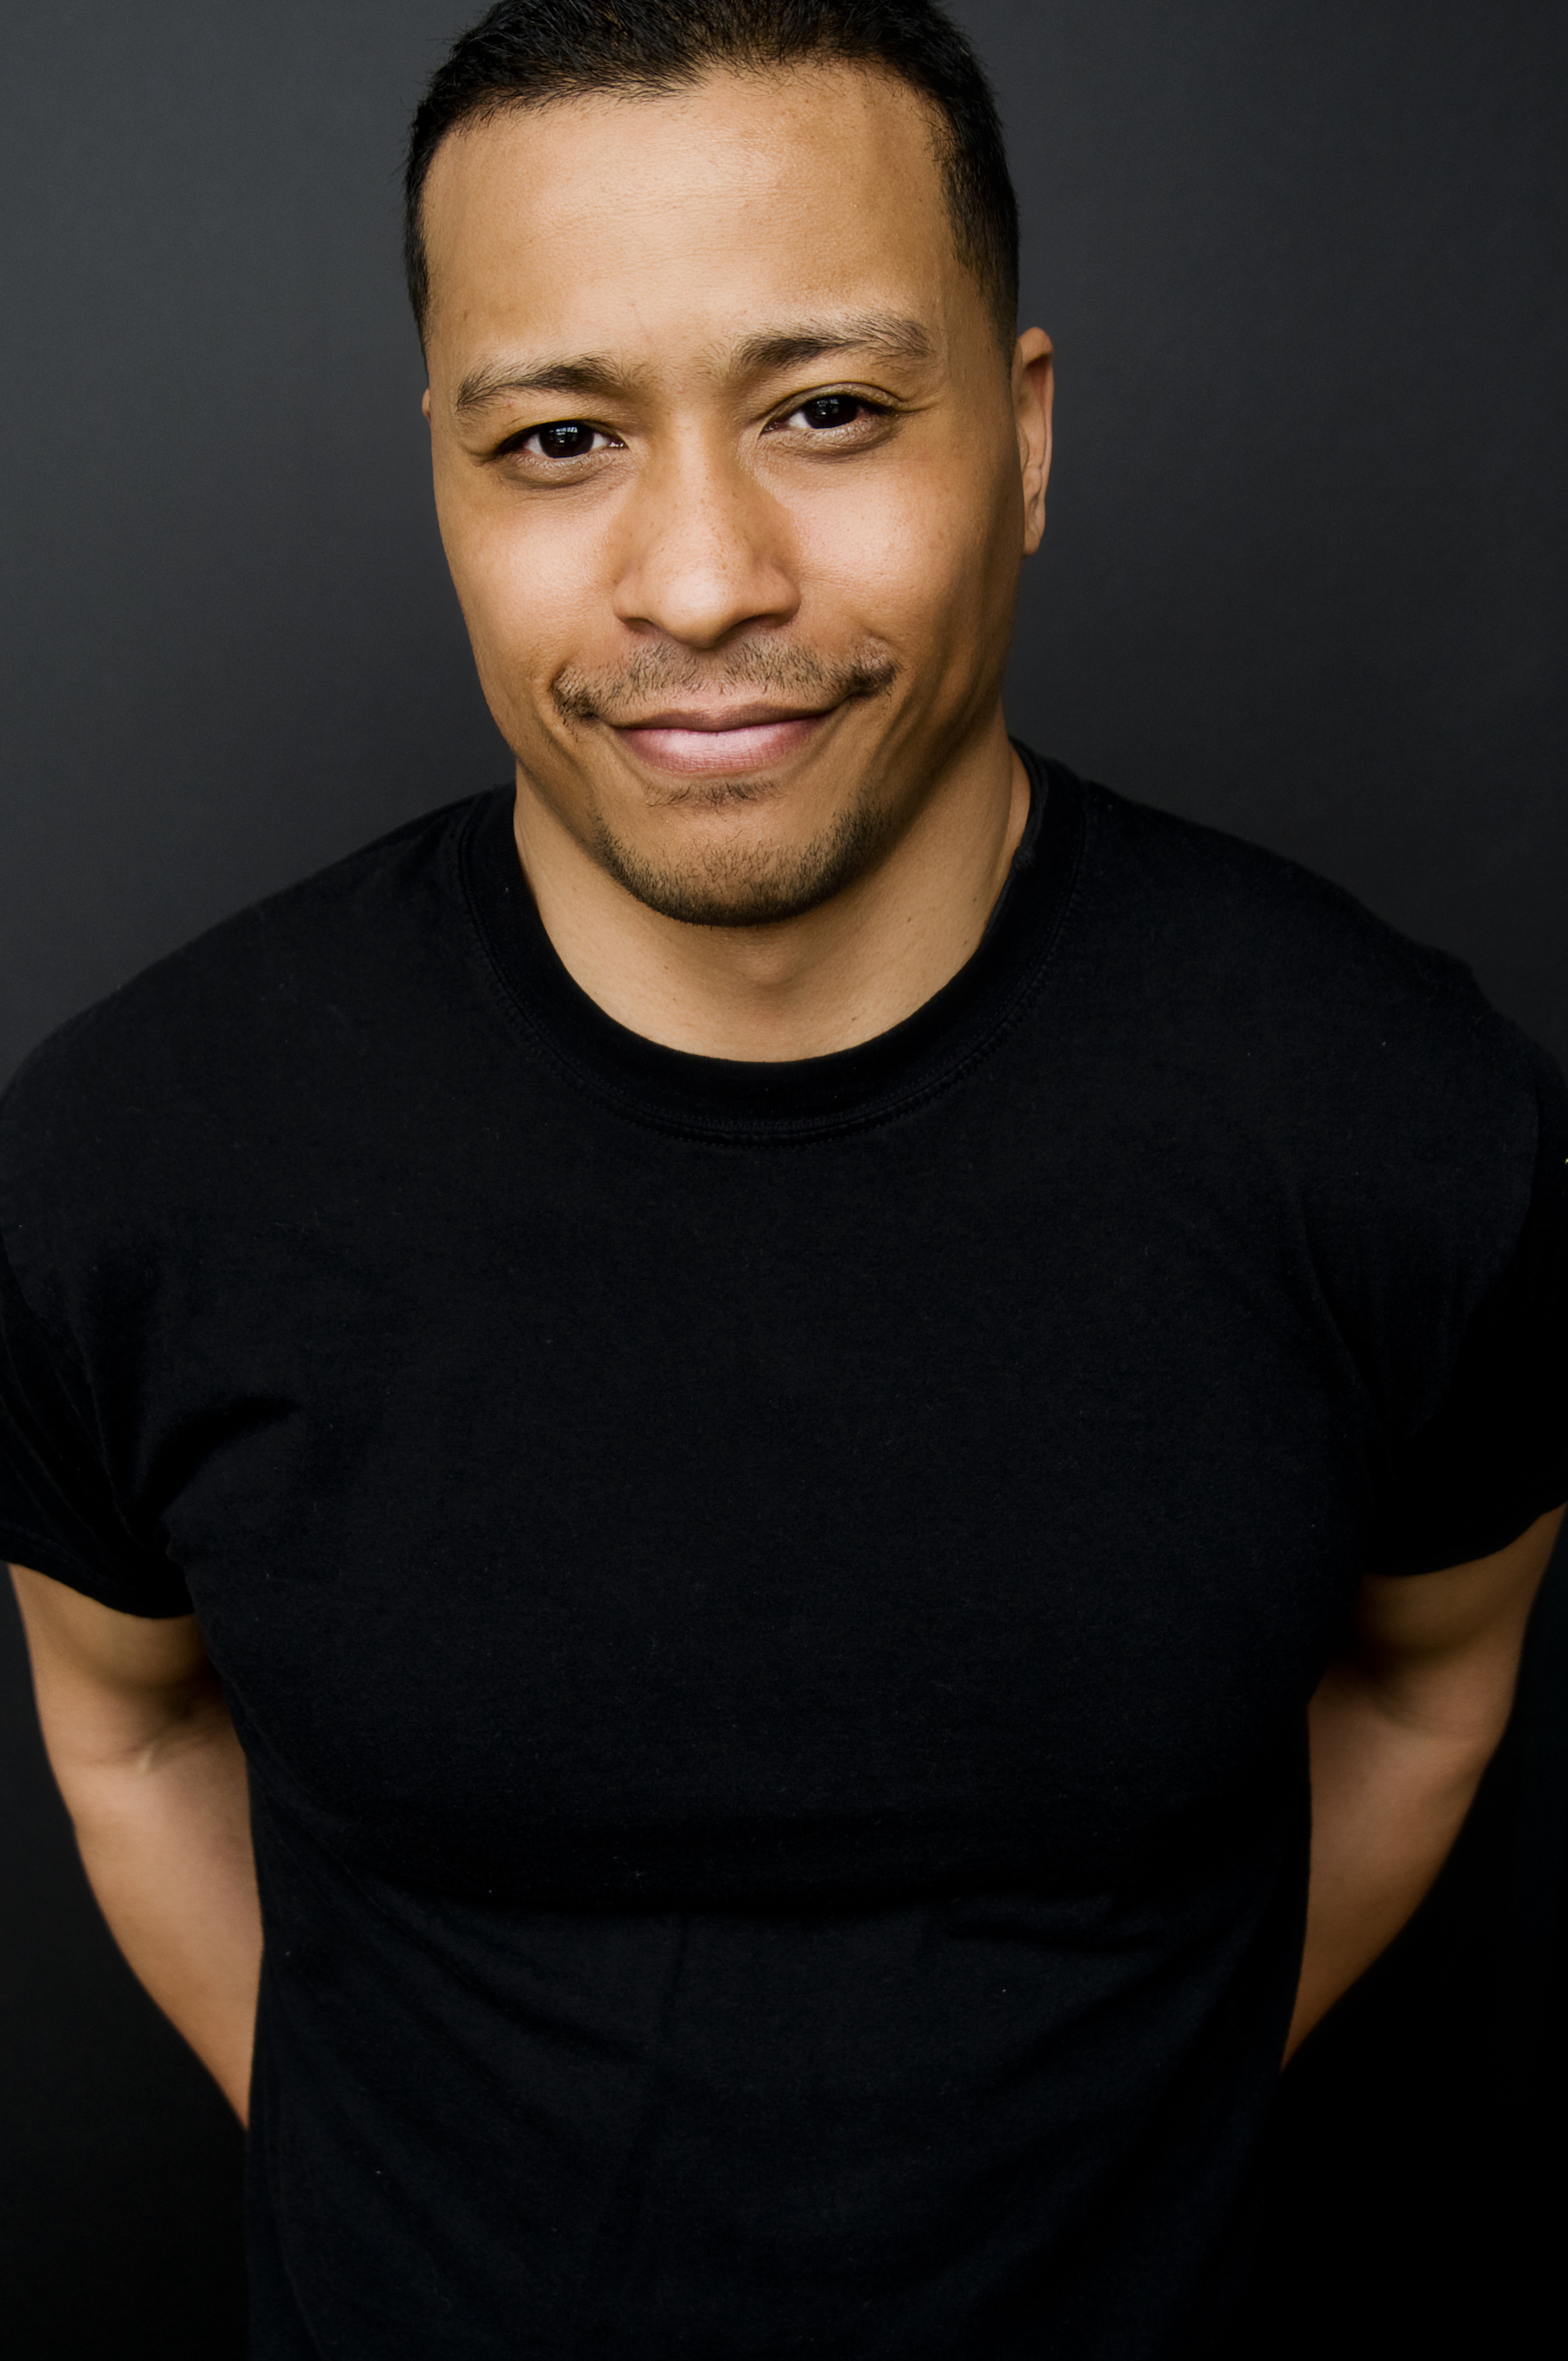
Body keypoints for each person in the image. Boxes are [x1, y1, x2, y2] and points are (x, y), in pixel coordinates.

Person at [3, 1, 1564, 2352]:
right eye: (558, 439)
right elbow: (124, 1729)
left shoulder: (1409, 1132)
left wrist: (1107, 2159)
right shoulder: (131, 1163)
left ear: (1025, 438)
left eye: (827, 409)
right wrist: (392, 2173)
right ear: (442, 475)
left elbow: (1430, 1691)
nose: (703, 581)